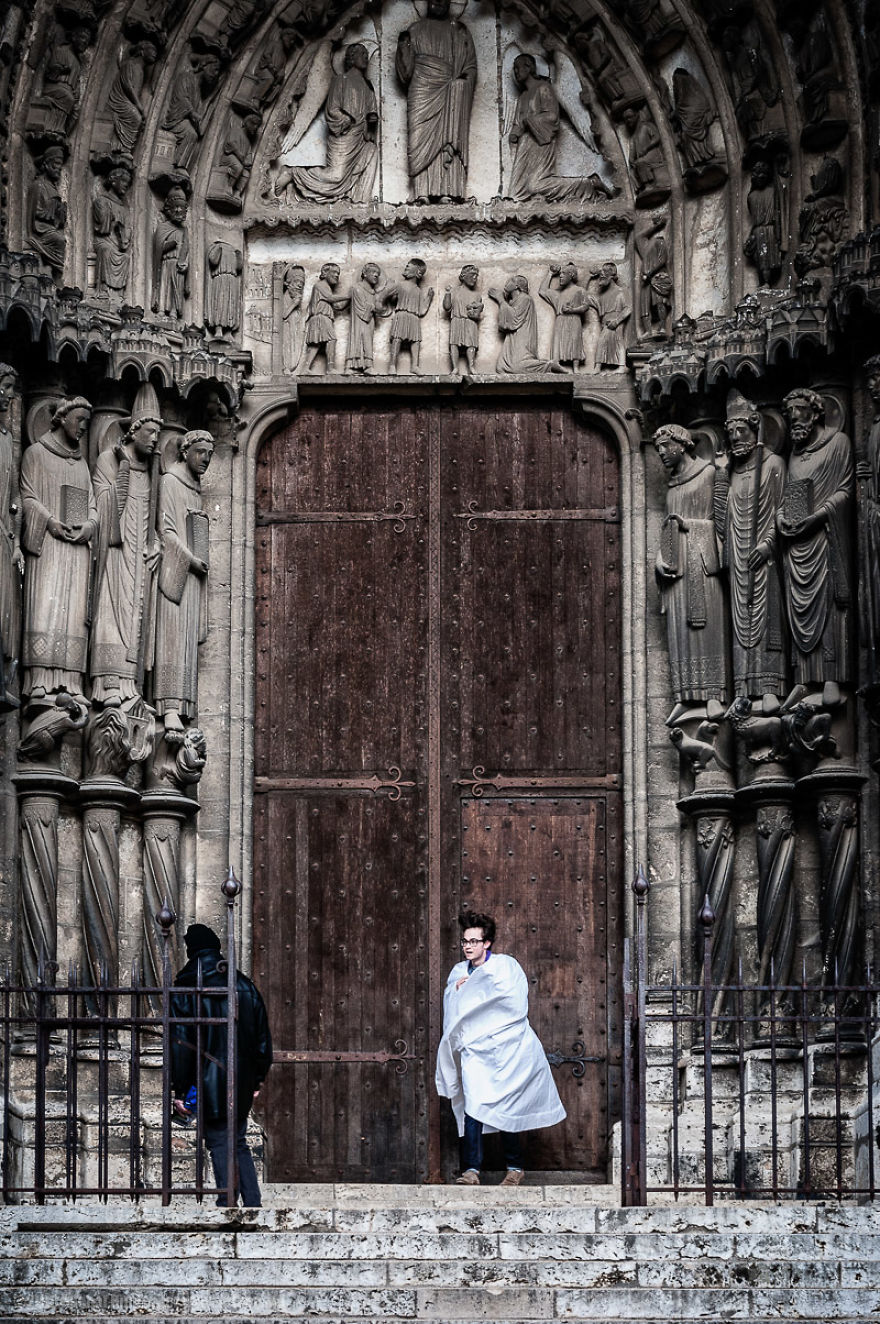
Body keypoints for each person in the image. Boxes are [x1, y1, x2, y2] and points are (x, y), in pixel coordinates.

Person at [435, 911, 565, 1185]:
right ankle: (471, 1171)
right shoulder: (459, 972)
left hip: (505, 1052)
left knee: (505, 1106)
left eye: (474, 941)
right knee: (473, 1105)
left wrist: (480, 987)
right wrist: (458, 991)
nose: (468, 946)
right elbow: (454, 1011)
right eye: (464, 941)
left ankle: (515, 1168)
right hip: (475, 1052)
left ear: (487, 943)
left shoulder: (506, 966)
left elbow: (512, 1001)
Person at [171, 923, 273, 1207]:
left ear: (191, 951)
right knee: (237, 1139)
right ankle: (252, 1203)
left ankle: (226, 1203)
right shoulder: (243, 984)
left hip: (206, 1078)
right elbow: (262, 1041)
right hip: (240, 1078)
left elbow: (180, 1044)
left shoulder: (186, 986)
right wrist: (256, 1081)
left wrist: (180, 1091)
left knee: (218, 1140)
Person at [395, 0, 477, 203]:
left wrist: (461, 83)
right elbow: (405, 74)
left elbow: (470, 66)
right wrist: (403, 46)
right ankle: (421, 191)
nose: (439, 3)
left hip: (451, 91)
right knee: (419, 138)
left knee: (448, 136)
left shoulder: (459, 31)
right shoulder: (415, 30)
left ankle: (449, 191)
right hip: (421, 89)